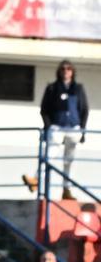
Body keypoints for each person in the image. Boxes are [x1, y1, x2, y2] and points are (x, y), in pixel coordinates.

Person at [25, 61, 88, 201]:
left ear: (72, 71)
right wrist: (48, 126)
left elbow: (84, 110)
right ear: (59, 71)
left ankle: (67, 189)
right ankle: (35, 180)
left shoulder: (78, 88)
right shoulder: (52, 88)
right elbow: (44, 110)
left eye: (69, 68)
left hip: (73, 127)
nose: (66, 71)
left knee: (69, 160)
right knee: (49, 154)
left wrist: (82, 130)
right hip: (57, 126)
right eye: (63, 69)